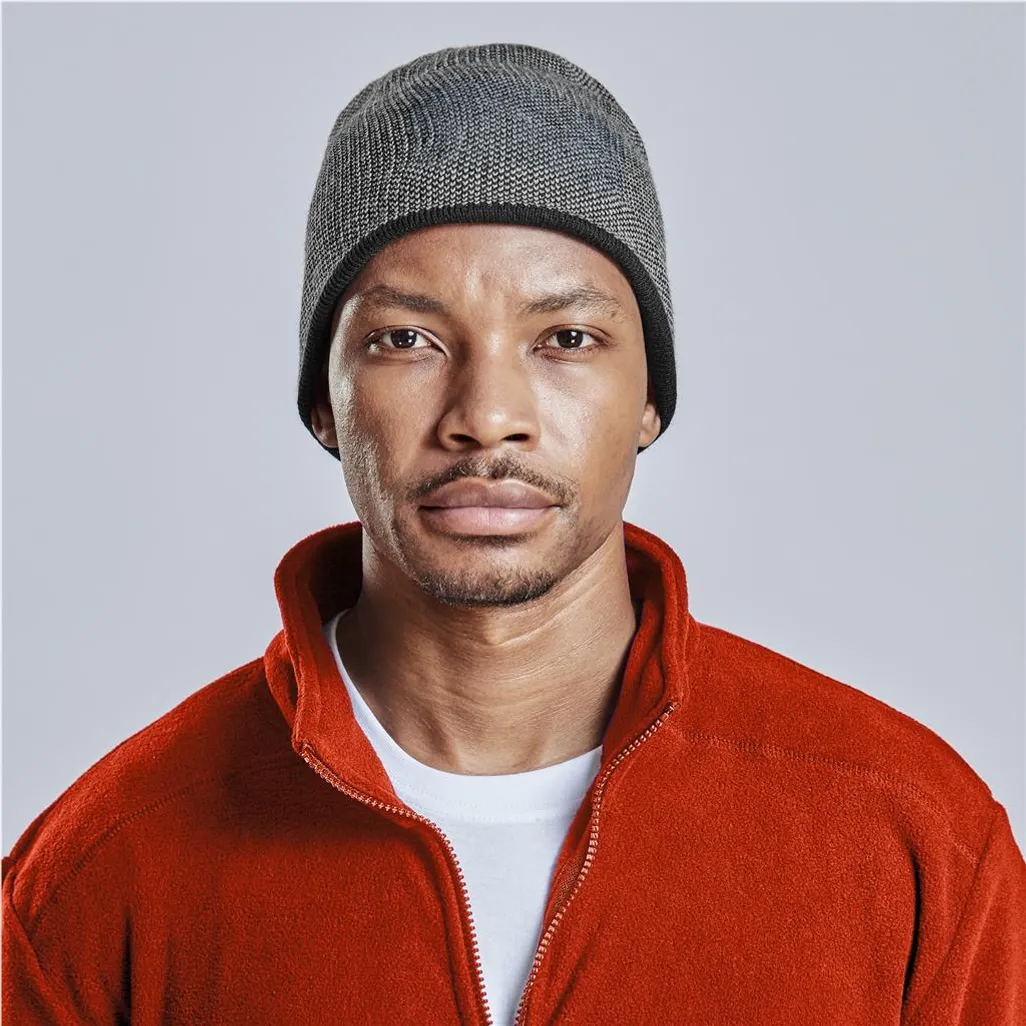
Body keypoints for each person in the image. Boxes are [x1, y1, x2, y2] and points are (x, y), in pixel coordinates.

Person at [3, 41, 1023, 1026]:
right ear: (324, 401)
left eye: (566, 339)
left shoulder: (912, 835)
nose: (487, 416)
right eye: (407, 339)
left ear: (650, 399)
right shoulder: (102, 871)